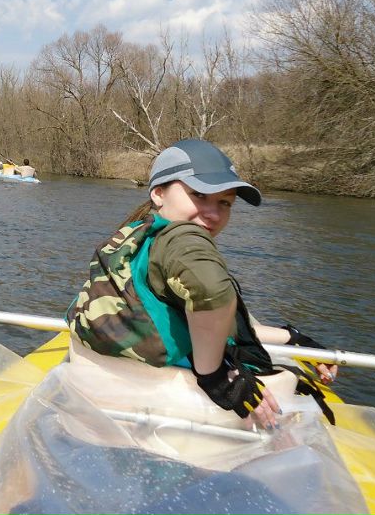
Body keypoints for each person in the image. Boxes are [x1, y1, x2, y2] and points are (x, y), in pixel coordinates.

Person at [67, 138, 336, 431]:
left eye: (225, 202)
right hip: (185, 422)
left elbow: (196, 320)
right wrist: (215, 376)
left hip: (118, 407)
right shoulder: (185, 240)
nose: (214, 213)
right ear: (158, 193)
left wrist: (292, 338)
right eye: (199, 195)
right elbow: (212, 294)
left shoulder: (137, 238)